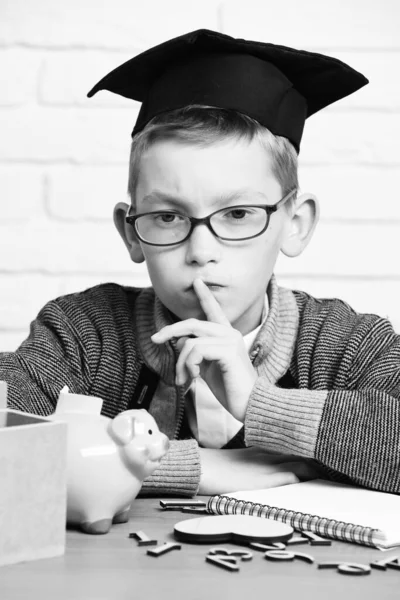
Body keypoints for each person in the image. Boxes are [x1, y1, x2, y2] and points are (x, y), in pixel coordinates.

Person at [2, 29, 399, 497]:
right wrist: (193, 468)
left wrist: (259, 402)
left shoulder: (347, 345)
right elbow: (12, 447)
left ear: (295, 223)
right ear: (131, 232)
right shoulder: (80, 335)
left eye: (236, 214)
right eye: (168, 216)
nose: (201, 250)